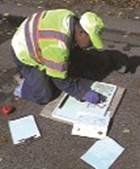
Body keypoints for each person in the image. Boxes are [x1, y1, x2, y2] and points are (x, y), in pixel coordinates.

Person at [11, 9, 105, 105]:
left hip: (32, 36)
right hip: (24, 53)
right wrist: (83, 93)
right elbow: (59, 80)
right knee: (44, 96)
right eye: (91, 41)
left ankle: (48, 66)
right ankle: (22, 85)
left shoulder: (70, 17)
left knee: (69, 62)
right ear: (81, 32)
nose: (91, 45)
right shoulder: (58, 45)